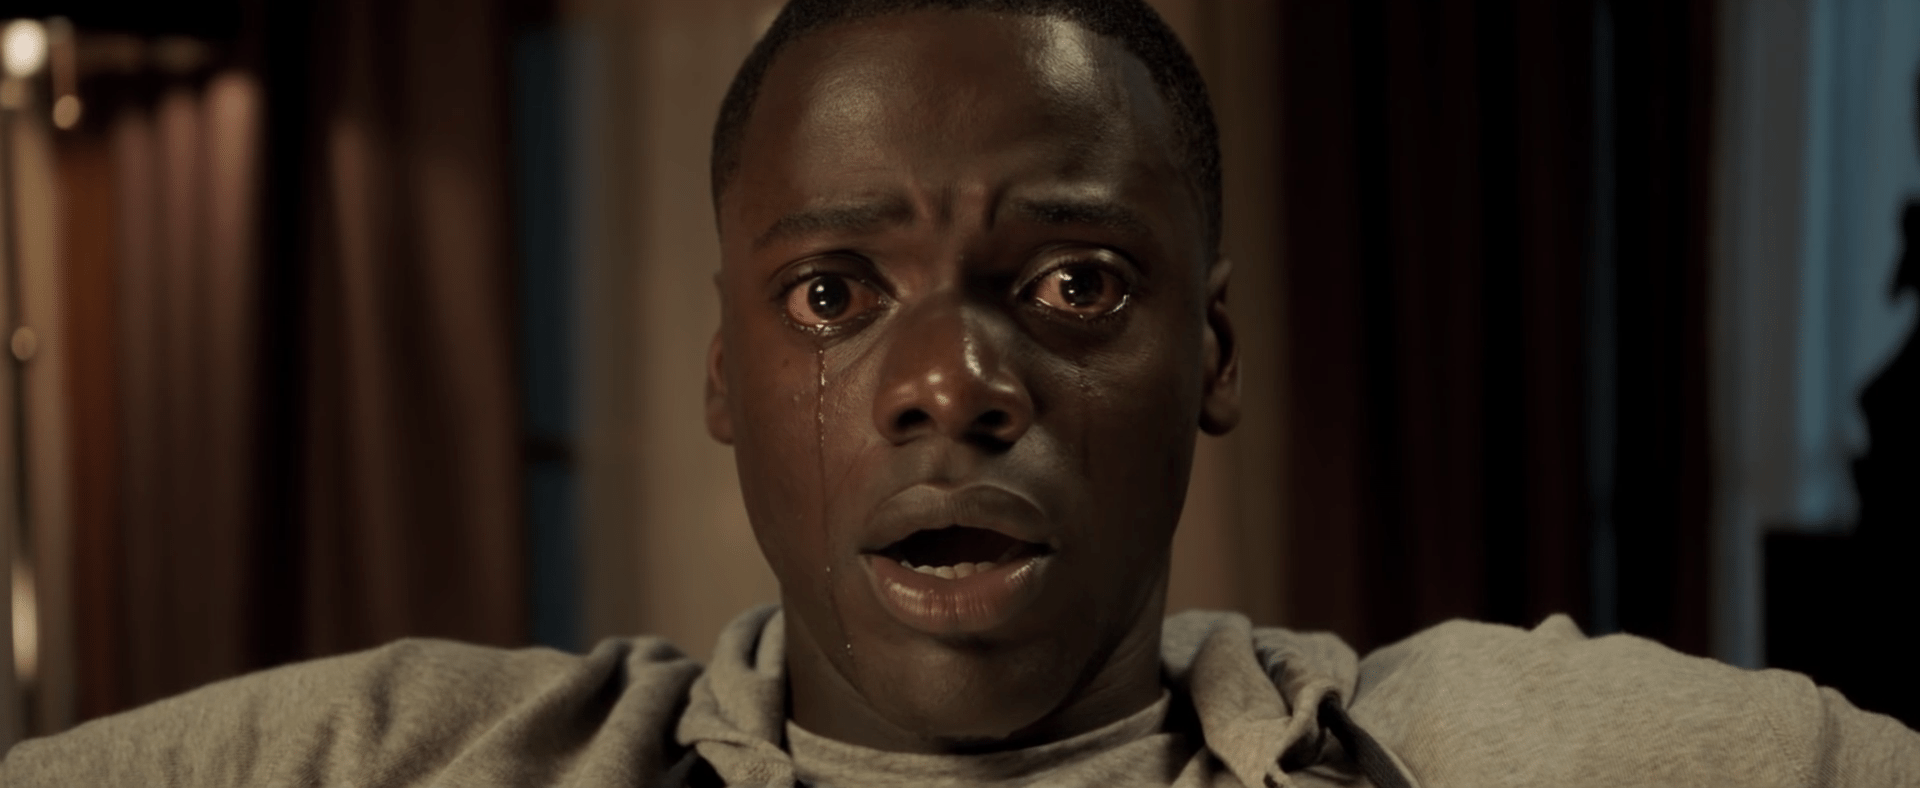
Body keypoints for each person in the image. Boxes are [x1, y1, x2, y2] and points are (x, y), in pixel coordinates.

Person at [4, 1, 1917, 785]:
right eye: (834, 295)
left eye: (1074, 285)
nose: (949, 385)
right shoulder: (432, 758)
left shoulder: (1487, 749)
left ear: (1212, 357)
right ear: (725, 373)